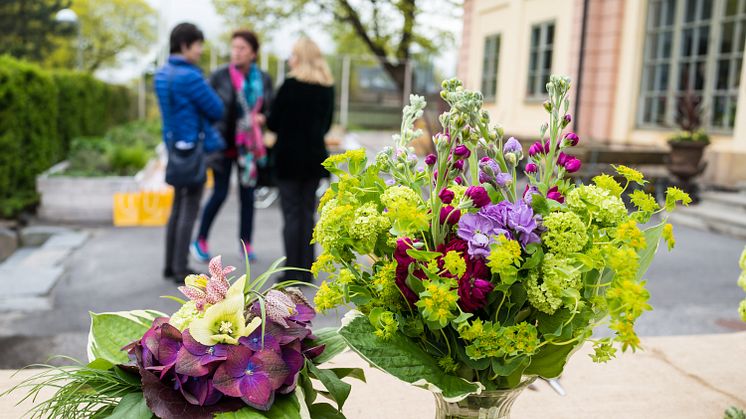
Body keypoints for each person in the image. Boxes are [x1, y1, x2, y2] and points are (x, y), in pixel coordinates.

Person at [191, 29, 274, 263]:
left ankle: (246, 244)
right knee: (219, 192)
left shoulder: (263, 79)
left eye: (242, 48)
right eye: (234, 47)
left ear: (253, 53)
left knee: (248, 196)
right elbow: (207, 109)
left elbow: (270, 108)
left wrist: (262, 118)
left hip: (248, 149)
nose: (236, 52)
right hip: (222, 146)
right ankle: (200, 240)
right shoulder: (219, 76)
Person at [154, 23, 224, 281]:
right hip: (195, 149)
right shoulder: (191, 77)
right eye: (197, 45)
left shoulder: (161, 75)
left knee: (177, 205)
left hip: (173, 147)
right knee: (190, 207)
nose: (200, 51)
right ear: (185, 45)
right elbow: (216, 109)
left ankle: (169, 264)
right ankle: (181, 268)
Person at [267, 37, 334, 283]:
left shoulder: (289, 86)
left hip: (288, 158)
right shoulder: (327, 87)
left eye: (293, 54)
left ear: (301, 57)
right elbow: (326, 125)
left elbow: (273, 122)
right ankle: (307, 269)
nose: (290, 59)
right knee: (307, 213)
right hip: (314, 157)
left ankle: (291, 270)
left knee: (291, 214)